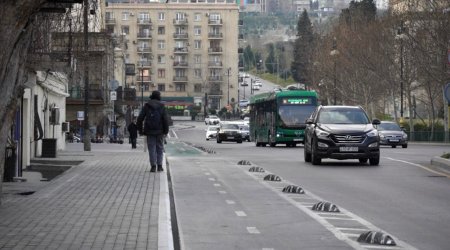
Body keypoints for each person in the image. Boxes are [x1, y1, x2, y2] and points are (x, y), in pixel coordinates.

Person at [137, 90, 169, 172]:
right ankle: (160, 166)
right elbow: (165, 119)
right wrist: (166, 131)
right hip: (160, 131)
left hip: (149, 131)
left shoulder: (147, 106)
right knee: (160, 148)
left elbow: (140, 118)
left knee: (151, 148)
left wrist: (140, 130)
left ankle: (153, 166)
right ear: (159, 97)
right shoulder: (162, 106)